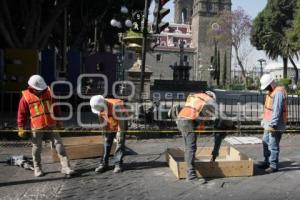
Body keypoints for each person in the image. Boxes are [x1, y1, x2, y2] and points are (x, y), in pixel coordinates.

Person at [17, 75, 75, 177]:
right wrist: (20, 127)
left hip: (51, 124)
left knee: (59, 145)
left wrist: (59, 120)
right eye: (38, 89)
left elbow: (56, 107)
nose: (41, 91)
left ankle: (66, 167)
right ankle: (37, 168)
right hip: (36, 126)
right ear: (32, 87)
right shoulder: (25, 97)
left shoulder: (49, 92)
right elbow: (21, 113)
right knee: (36, 148)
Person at [176, 91, 218, 181]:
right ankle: (191, 176)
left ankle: (187, 169)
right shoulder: (210, 100)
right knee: (191, 148)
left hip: (180, 119)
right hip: (188, 122)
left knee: (188, 147)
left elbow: (195, 111)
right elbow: (206, 116)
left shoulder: (195, 96)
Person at [90, 95, 128, 173]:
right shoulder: (97, 105)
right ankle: (103, 164)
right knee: (106, 141)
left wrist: (120, 133)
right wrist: (104, 132)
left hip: (121, 121)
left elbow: (121, 122)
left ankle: (118, 164)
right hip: (110, 121)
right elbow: (101, 119)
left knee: (119, 142)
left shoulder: (116, 106)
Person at [259, 74, 288, 173]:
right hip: (268, 122)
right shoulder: (271, 91)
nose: (266, 89)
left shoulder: (278, 93)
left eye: (267, 86)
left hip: (275, 123)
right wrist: (264, 121)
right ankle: (267, 161)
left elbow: (277, 110)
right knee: (265, 141)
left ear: (271, 84)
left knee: (273, 145)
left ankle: (273, 165)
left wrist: (273, 123)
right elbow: (268, 109)